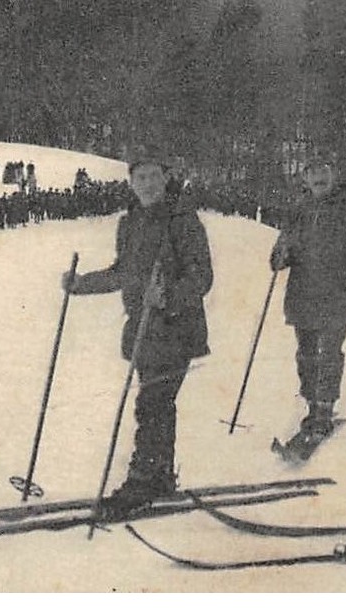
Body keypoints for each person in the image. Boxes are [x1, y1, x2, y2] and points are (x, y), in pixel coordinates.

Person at [63, 146, 213, 519]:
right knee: (156, 401)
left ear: (166, 178)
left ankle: (144, 478)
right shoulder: (130, 223)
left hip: (176, 328)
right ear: (130, 182)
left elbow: (201, 277)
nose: (145, 184)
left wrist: (166, 296)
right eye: (138, 177)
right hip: (144, 331)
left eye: (152, 176)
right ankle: (158, 473)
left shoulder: (183, 220)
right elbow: (121, 273)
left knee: (153, 403)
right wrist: (81, 284)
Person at [269, 155, 346, 443]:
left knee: (329, 353)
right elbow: (280, 251)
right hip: (303, 294)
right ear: (304, 179)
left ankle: (325, 408)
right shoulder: (299, 210)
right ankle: (311, 402)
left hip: (336, 293)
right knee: (305, 355)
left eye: (324, 171)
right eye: (312, 172)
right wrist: (280, 257)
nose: (319, 177)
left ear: (333, 175)